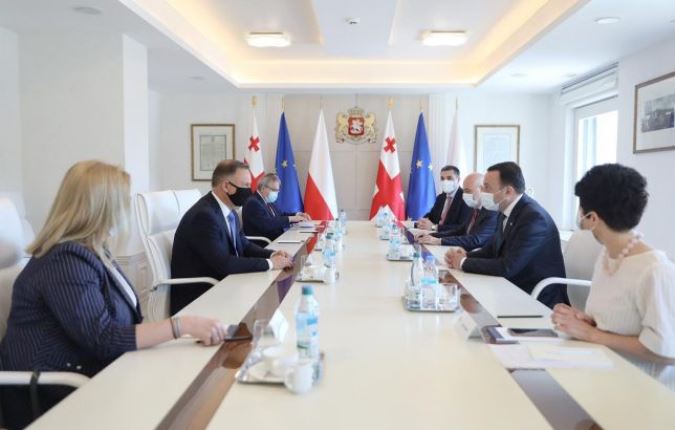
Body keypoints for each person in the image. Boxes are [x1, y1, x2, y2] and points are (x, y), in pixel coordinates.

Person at [0, 161, 226, 429]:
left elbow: (121, 322)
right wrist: (181, 326)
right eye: (123, 202)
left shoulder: (94, 250)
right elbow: (103, 337)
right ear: (102, 208)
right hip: (56, 393)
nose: (125, 211)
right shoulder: (65, 260)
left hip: (95, 375)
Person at [552, 164, 675, 391]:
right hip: (603, 373)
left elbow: (667, 351)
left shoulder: (654, 271)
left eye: (581, 209)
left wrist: (592, 334)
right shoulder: (608, 256)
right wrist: (585, 321)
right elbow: (619, 321)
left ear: (592, 218)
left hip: (643, 391)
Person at [171, 160, 293, 314]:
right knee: (267, 311)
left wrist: (271, 254)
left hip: (227, 284)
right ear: (226, 186)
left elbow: (244, 244)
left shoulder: (230, 211)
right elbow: (224, 263)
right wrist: (270, 263)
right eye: (245, 186)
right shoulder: (204, 216)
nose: (250, 191)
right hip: (202, 297)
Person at [445, 162, 567, 308]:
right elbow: (493, 249)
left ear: (508, 191)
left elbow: (508, 267)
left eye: (487, 187)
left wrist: (463, 263)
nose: (482, 191)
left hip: (536, 297)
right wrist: (466, 255)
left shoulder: (534, 218)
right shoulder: (506, 209)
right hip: (511, 286)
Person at [417, 172, 498, 251]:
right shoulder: (475, 208)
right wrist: (432, 235)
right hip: (462, 250)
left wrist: (439, 241)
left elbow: (475, 240)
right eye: (464, 191)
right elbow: (460, 231)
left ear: (482, 190)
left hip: (476, 255)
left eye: (468, 191)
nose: (464, 195)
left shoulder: (492, 212)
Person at [242, 173, 311, 242]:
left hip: (276, 239)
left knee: (302, 238)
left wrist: (297, 215)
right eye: (274, 190)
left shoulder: (268, 200)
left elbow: (280, 215)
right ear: (263, 188)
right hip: (264, 243)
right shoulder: (253, 203)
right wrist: (290, 219)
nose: (276, 193)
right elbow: (266, 224)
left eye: (277, 190)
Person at [415, 165, 472, 232]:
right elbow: (431, 216)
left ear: (458, 179)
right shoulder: (440, 197)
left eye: (449, 178)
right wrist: (422, 221)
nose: (445, 181)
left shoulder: (465, 198)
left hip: (450, 237)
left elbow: (462, 227)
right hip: (434, 234)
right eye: (442, 178)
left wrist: (434, 227)